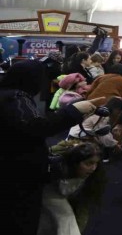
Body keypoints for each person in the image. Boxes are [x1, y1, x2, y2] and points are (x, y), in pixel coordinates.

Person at [0, 60, 103, 234]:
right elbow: (36, 127)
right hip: (18, 175)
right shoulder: (16, 98)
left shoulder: (9, 96)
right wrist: (74, 111)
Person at [37, 140, 106, 234]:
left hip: (62, 194)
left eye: (96, 163)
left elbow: (83, 209)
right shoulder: (55, 167)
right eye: (88, 163)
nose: (93, 168)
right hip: (46, 190)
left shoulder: (94, 179)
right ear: (75, 163)